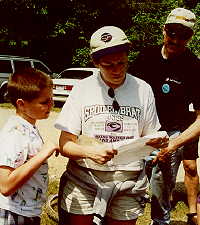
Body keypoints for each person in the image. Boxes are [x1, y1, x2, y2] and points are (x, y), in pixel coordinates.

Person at [54, 25, 168, 225]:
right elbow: (65, 144)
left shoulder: (143, 90)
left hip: (128, 182)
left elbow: (151, 137)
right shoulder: (82, 89)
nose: (117, 70)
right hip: (84, 179)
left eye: (122, 63)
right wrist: (90, 153)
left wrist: (158, 146)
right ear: (95, 62)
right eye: (108, 65)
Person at [129, 7, 200, 225]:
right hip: (142, 130)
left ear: (191, 37)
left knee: (161, 184)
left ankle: (162, 221)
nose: (176, 40)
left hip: (173, 133)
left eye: (184, 35)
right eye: (172, 33)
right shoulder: (145, 57)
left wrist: (172, 145)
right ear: (163, 30)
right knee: (129, 181)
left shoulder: (194, 66)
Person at [0, 68, 59, 225]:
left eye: (51, 99)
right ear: (21, 104)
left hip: (27, 211)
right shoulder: (15, 133)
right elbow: (5, 185)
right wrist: (44, 153)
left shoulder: (27, 127)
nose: (51, 104)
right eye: (44, 102)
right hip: (13, 213)